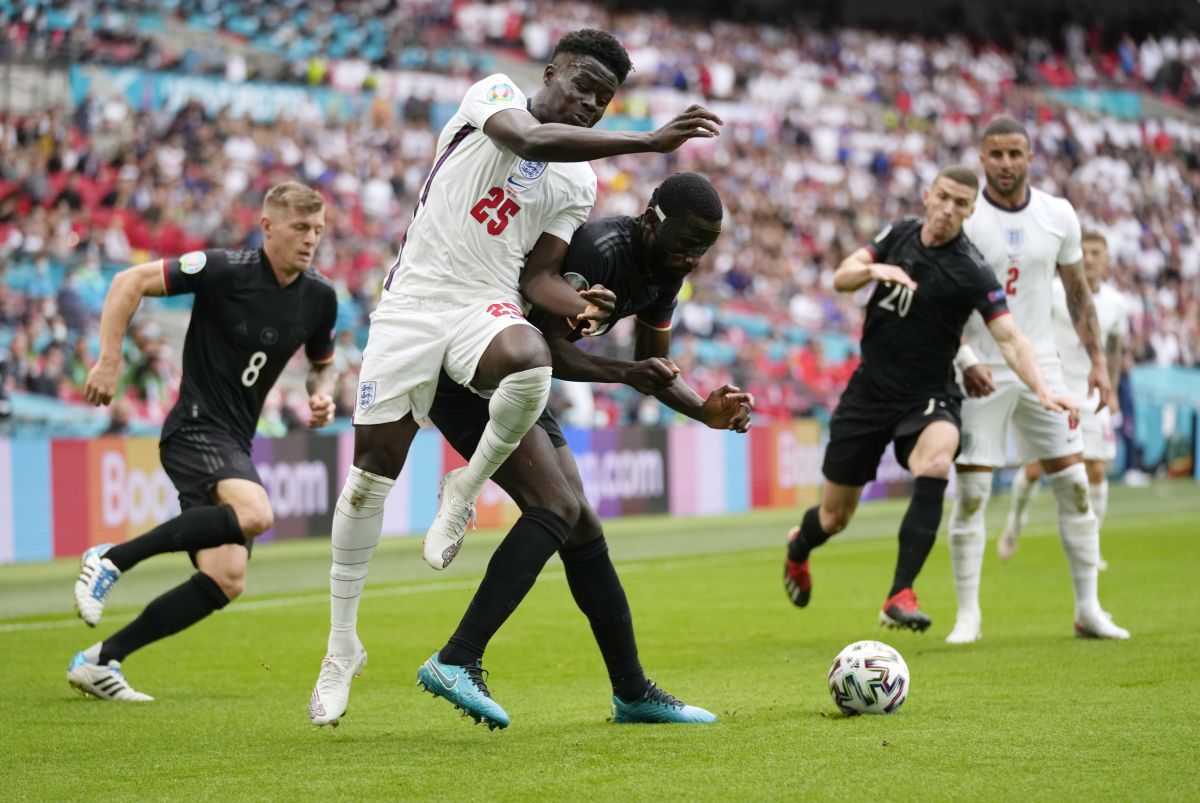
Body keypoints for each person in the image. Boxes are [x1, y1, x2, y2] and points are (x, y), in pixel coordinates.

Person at [308, 29, 722, 724]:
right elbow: (528, 140)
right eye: (582, 84)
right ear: (551, 70)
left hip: (486, 309)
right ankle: (341, 648)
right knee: (370, 477)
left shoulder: (579, 182)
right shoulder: (494, 95)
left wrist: (580, 305)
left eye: (604, 97)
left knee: (538, 384)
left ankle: (467, 500)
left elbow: (539, 279)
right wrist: (648, 142)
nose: (589, 102)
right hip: (413, 305)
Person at [414, 173, 751, 730]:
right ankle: (457, 658)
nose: (694, 257)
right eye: (688, 241)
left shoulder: (667, 272)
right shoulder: (600, 249)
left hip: (520, 384)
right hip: (473, 375)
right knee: (557, 508)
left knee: (581, 527)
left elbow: (650, 365)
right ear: (653, 221)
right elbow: (545, 345)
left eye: (705, 247)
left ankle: (633, 693)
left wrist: (702, 411)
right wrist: (624, 373)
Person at [68, 182, 339, 701]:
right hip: (194, 427)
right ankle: (112, 558)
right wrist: (109, 360)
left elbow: (322, 366)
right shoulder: (224, 269)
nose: (311, 239)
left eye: (318, 230)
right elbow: (128, 280)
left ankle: (100, 661)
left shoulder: (320, 298)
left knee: (227, 577)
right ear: (268, 227)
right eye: (301, 228)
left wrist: (321, 393)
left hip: (235, 438)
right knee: (256, 512)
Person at [782, 166, 1075, 633]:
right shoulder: (899, 233)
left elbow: (1010, 337)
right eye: (943, 197)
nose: (948, 209)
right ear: (927, 195)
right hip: (869, 392)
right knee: (835, 518)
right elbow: (841, 277)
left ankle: (900, 594)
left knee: (937, 462)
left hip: (929, 393)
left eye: (960, 203)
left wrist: (1042, 388)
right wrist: (873, 270)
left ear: (971, 211)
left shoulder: (972, 270)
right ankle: (799, 547)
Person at [947, 117, 1129, 644]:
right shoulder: (967, 216)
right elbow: (944, 297)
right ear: (982, 158)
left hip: (1042, 367)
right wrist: (964, 358)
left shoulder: (1057, 215)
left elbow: (1077, 293)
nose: (1006, 163)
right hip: (980, 367)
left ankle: (1088, 609)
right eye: (996, 154)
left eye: (1015, 154)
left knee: (1074, 484)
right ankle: (968, 615)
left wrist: (1097, 361)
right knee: (974, 492)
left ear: (1030, 157)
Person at [999, 230, 1127, 567]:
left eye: (1097, 252)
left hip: (1093, 395)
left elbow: (1114, 347)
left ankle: (1090, 547)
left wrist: (1112, 388)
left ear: (1107, 259)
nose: (1090, 258)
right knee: (1034, 469)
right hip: (1055, 389)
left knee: (1096, 470)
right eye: (1085, 251)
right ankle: (1015, 523)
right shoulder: (1054, 292)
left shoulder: (1117, 303)